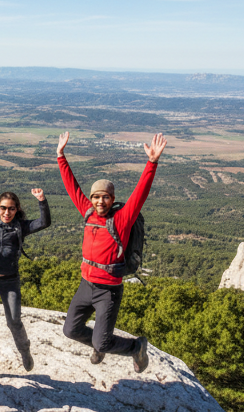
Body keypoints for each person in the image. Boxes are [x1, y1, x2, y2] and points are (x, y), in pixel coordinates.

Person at [55, 131, 167, 372]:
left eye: (105, 197)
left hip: (108, 290)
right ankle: (98, 343)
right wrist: (60, 156)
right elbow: (72, 187)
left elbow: (140, 193)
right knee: (70, 330)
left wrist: (152, 162)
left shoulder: (122, 219)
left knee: (102, 340)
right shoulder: (88, 212)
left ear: (112, 199)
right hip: (86, 285)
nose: (99, 201)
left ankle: (136, 347)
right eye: (96, 197)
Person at [0, 156, 50, 370]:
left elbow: (44, 222)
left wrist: (42, 201)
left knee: (14, 321)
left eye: (11, 208)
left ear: (17, 210)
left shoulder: (21, 227)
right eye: (3, 208)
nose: (6, 212)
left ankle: (25, 351)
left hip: (10, 282)